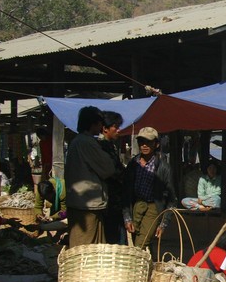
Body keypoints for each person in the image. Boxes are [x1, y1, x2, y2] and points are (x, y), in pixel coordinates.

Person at [64, 106, 116, 247]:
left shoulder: (76, 142)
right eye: (99, 124)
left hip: (79, 202)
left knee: (86, 245)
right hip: (87, 204)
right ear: (93, 124)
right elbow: (108, 168)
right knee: (86, 247)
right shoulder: (87, 142)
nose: (101, 128)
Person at [122, 127, 177, 249]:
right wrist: (127, 217)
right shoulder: (133, 164)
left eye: (149, 142)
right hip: (136, 204)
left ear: (156, 144)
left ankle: (136, 266)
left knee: (141, 244)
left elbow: (171, 198)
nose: (144, 145)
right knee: (135, 237)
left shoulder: (163, 167)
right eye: (141, 142)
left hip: (153, 206)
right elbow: (125, 192)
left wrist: (163, 223)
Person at [98, 110, 125, 244]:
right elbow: (112, 172)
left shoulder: (110, 146)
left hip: (115, 200)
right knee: (114, 239)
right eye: (116, 126)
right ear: (105, 128)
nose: (119, 130)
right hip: (110, 200)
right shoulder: (103, 146)